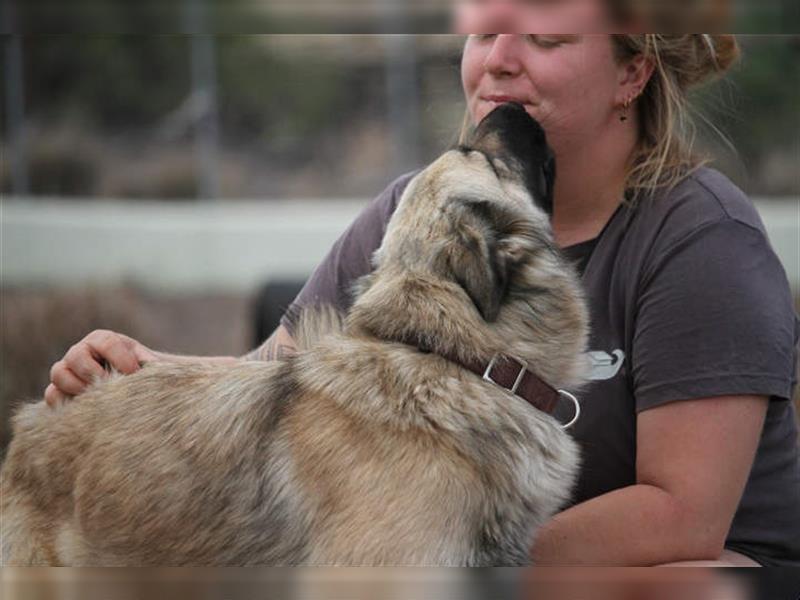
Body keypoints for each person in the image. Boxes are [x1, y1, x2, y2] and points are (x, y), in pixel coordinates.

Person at [44, 23, 799, 567]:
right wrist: (147, 371)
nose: (499, 62)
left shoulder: (700, 240)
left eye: (545, 40)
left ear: (630, 73)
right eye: (485, 32)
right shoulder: (422, 210)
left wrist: (424, 553)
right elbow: (281, 387)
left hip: (681, 570)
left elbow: (680, 520)